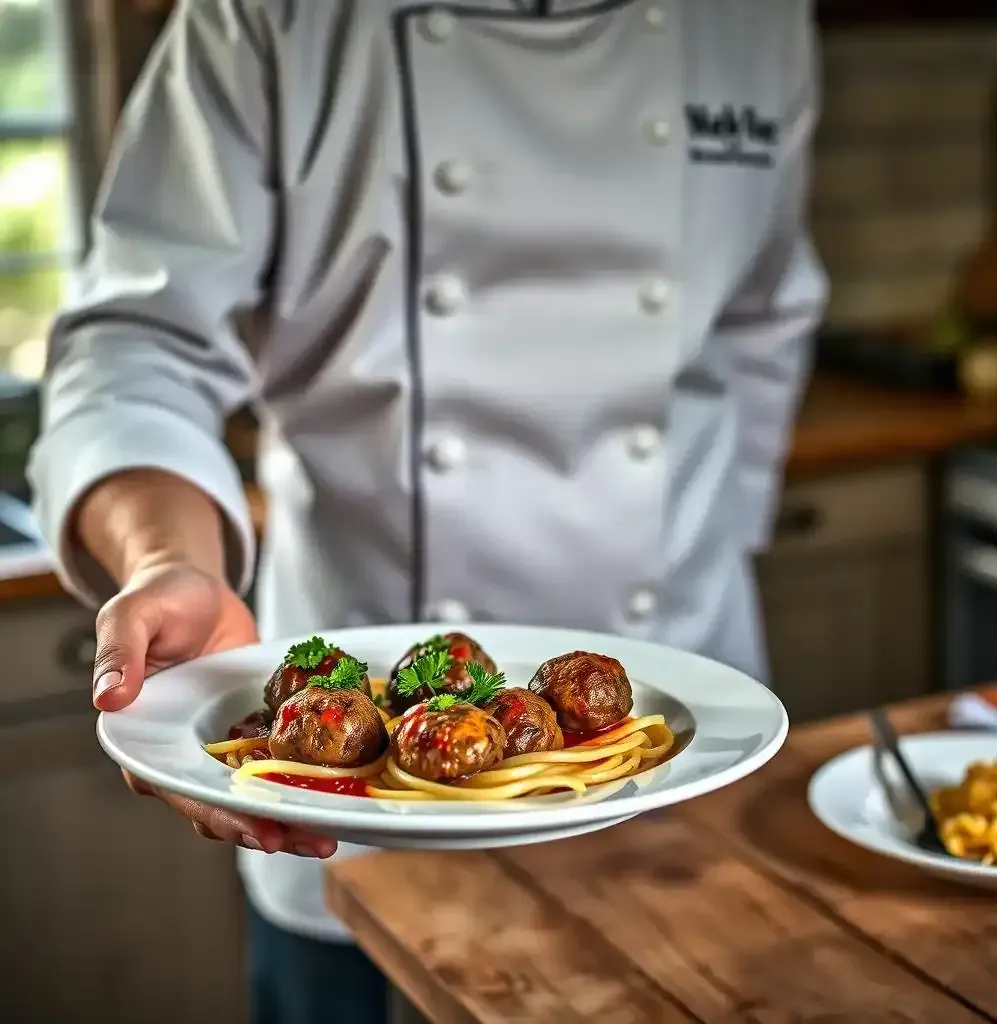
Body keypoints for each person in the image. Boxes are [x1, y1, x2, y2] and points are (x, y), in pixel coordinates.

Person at [29, 2, 827, 1022]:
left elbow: (766, 319)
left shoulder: (757, 19)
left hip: (679, 727)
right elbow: (140, 346)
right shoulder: (266, 19)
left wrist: (726, 533)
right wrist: (167, 558)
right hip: (348, 801)